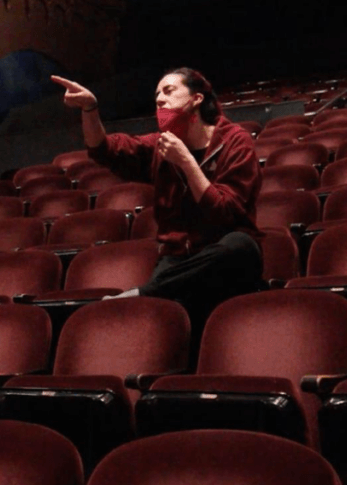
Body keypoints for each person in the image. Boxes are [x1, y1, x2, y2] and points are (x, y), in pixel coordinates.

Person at [50, 68, 263, 321]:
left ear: (196, 99)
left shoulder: (235, 142)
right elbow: (103, 149)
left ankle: (147, 293)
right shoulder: (160, 145)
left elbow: (225, 212)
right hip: (177, 259)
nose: (160, 99)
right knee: (173, 294)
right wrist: (90, 109)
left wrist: (186, 162)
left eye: (169, 91)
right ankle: (154, 294)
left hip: (222, 258)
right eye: (157, 95)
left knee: (241, 245)